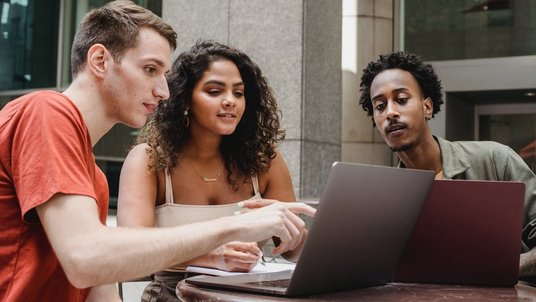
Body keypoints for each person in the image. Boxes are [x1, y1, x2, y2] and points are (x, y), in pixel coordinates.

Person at [0, 1, 315, 301]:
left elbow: (103, 291)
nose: (163, 91)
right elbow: (85, 258)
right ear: (99, 61)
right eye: (150, 69)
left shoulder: (93, 178)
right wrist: (234, 227)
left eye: (164, 75)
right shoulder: (46, 111)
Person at [116, 40, 302, 301]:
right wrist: (209, 256)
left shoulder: (264, 161)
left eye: (238, 93)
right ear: (185, 100)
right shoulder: (149, 160)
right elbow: (129, 252)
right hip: (173, 294)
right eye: (215, 91)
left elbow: (293, 252)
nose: (230, 101)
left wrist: (297, 236)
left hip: (249, 294)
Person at [358, 51, 536, 278]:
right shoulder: (386, 201)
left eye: (401, 100)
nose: (390, 112)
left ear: (427, 107)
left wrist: (506, 268)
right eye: (380, 106)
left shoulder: (495, 159)